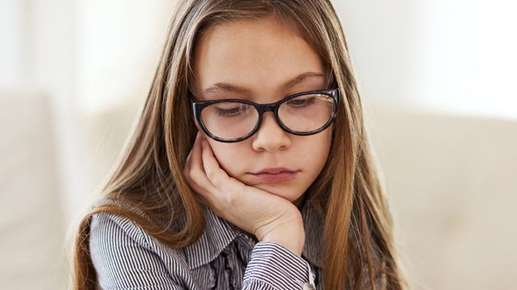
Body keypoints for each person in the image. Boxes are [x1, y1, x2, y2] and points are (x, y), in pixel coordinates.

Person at [72, 1, 408, 289]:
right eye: (231, 108)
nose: (271, 139)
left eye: (303, 101)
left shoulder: (349, 219)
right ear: (185, 115)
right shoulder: (129, 234)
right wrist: (279, 238)